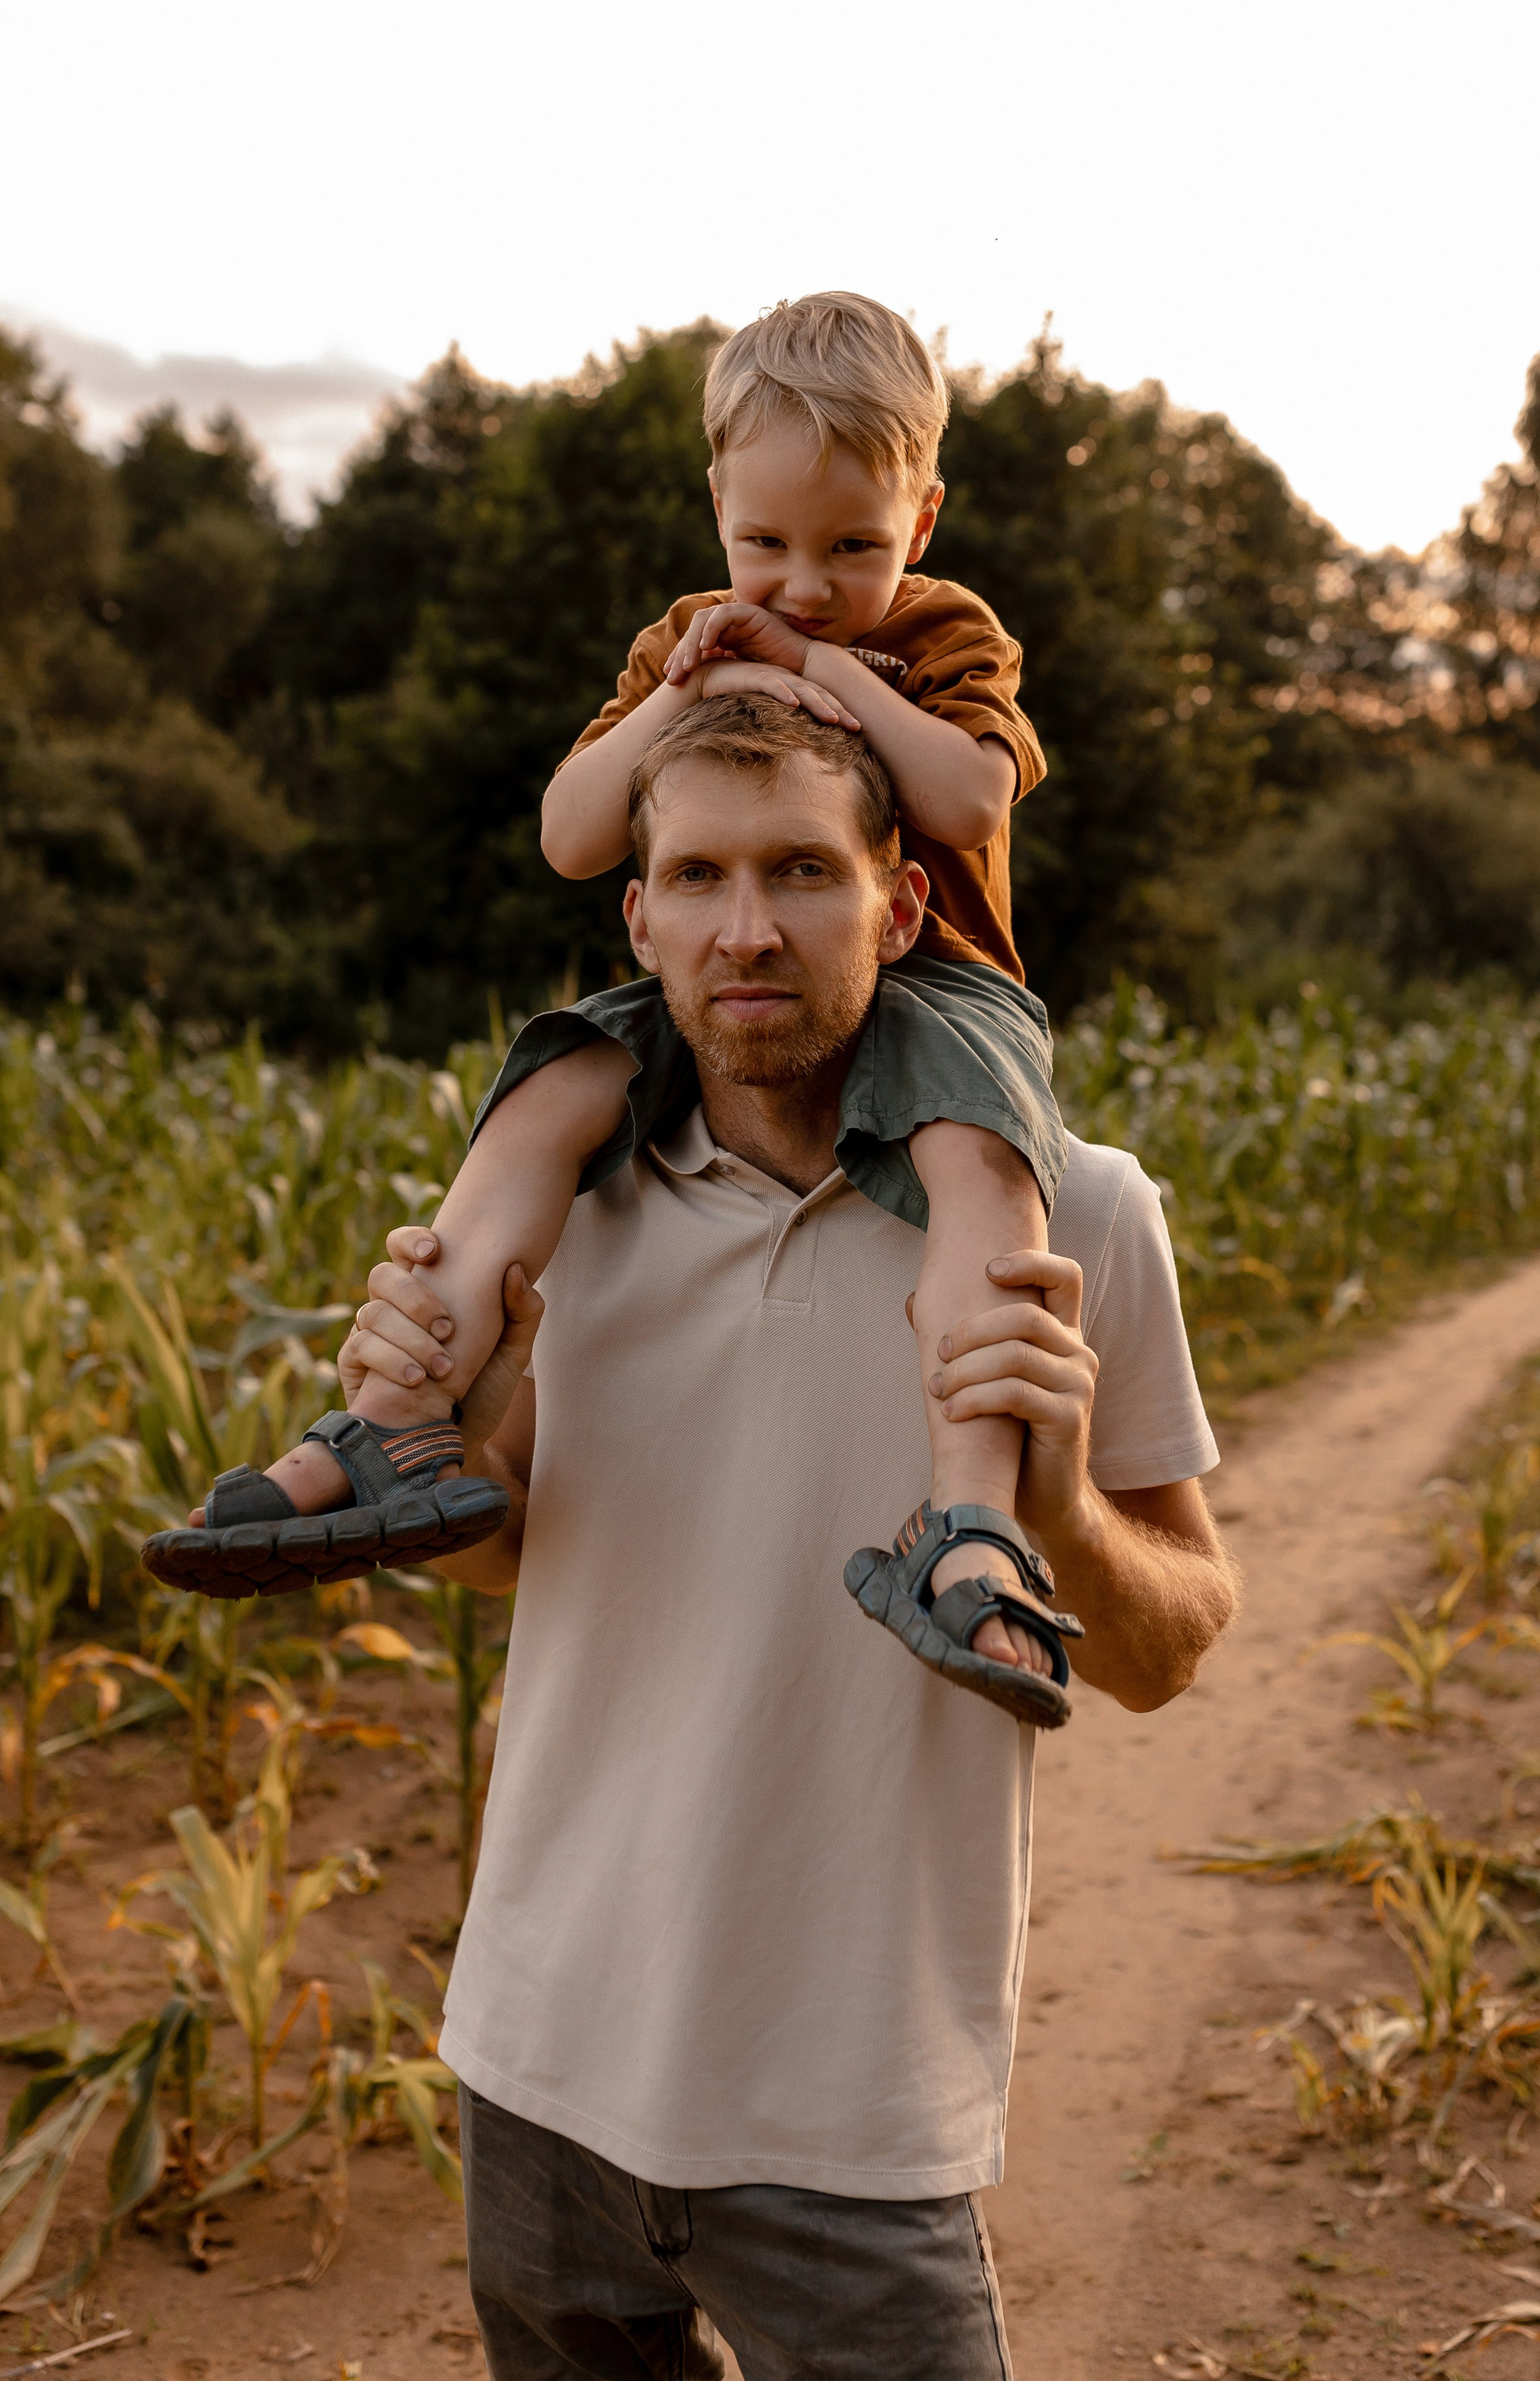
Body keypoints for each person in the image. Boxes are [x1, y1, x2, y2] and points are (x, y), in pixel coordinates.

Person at [334, 703, 1237, 2380]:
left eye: (804, 872)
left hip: (851, 2111)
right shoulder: (565, 1198)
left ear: (900, 906)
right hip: (539, 2062)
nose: (747, 927)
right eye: (700, 876)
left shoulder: (1072, 1212)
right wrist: (444, 1430)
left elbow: (1173, 1645)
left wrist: (1049, 1508)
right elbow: (501, 1551)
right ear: (640, 917)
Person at [147, 292, 1084, 1722]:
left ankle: (970, 1520)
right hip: (724, 982)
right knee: (549, 1093)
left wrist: (830, 679)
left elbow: (962, 796)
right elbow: (574, 833)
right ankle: (399, 1422)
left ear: (923, 519)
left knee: (978, 1178)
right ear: (715, 508)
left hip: (932, 981)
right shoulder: (688, 641)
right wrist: (683, 688)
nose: (802, 585)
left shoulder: (943, 635)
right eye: (761, 545)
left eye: (852, 547)